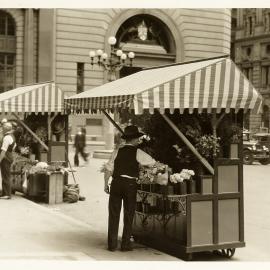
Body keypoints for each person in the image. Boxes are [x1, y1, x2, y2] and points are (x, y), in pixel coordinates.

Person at [103, 125, 156, 252]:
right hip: (130, 185)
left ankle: (112, 245)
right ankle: (125, 244)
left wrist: (105, 184)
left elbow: (108, 169)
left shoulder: (117, 151)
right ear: (132, 139)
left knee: (114, 214)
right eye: (137, 138)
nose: (138, 140)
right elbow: (152, 163)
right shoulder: (138, 152)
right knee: (129, 214)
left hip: (116, 183)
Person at [0, 122, 16, 199]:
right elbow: (14, 146)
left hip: (5, 157)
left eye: (3, 127)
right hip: (9, 156)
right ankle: (4, 193)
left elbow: (3, 151)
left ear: (6, 128)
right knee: (5, 175)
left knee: (6, 175)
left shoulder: (6, 138)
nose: (2, 128)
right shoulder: (12, 136)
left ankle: (7, 194)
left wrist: (0, 160)